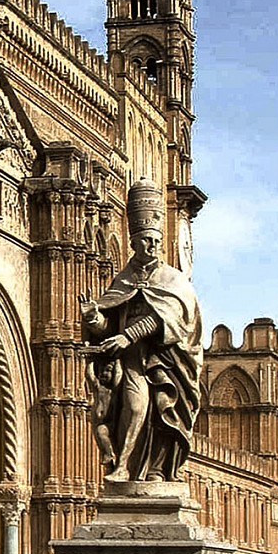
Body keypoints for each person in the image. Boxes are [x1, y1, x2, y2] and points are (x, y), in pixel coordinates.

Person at [79, 180, 204, 482]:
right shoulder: (122, 281)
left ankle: (157, 470)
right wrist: (94, 318)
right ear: (133, 242)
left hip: (166, 363)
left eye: (156, 241)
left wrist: (129, 336)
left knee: (162, 410)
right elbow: (109, 326)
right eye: (146, 240)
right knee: (135, 408)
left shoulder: (174, 281)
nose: (153, 246)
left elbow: (171, 319)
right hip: (130, 362)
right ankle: (123, 467)